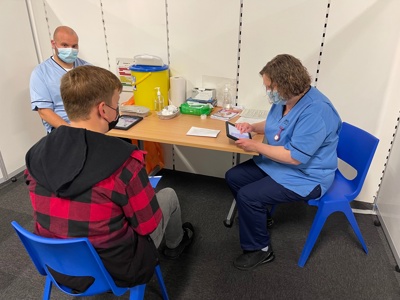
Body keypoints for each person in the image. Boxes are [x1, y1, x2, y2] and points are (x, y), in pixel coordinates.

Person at [24, 65, 194, 291]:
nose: (118, 110)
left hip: (57, 264)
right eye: (117, 104)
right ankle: (176, 244)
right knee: (169, 195)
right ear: (103, 110)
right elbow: (147, 225)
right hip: (115, 268)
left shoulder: (36, 153)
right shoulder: (125, 161)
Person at [225, 54, 342, 271]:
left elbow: (295, 157)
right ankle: (261, 219)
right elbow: (276, 124)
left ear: (286, 85)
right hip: (281, 164)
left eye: (270, 87)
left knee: (248, 196)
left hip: (307, 176)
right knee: (234, 177)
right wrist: (252, 127)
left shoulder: (317, 111)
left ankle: (260, 250)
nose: (268, 92)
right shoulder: (287, 100)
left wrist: (256, 146)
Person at [30, 26, 91, 133]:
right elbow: (44, 111)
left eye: (74, 46)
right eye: (65, 45)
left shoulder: (87, 68)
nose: (70, 50)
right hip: (62, 130)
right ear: (53, 44)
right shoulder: (41, 73)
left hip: (90, 126)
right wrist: (72, 131)